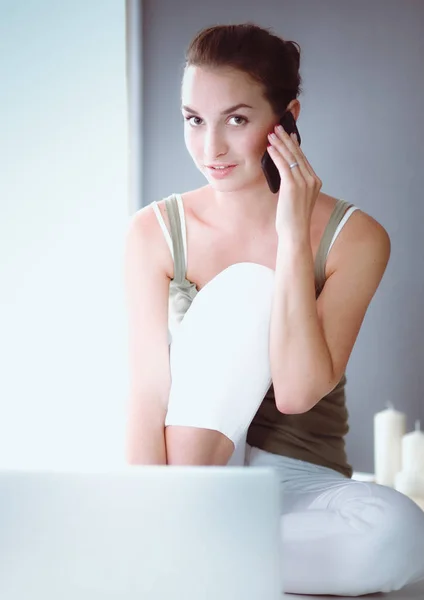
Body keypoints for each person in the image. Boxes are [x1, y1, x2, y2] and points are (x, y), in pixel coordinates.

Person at [124, 22, 424, 596]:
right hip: (189, 472)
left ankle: (195, 552)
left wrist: (291, 235)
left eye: (236, 119)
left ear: (286, 119)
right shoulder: (153, 231)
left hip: (297, 479)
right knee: (246, 290)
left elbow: (295, 392)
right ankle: (177, 530)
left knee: (400, 534)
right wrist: (147, 511)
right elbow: (145, 392)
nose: (209, 147)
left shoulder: (356, 237)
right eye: (194, 119)